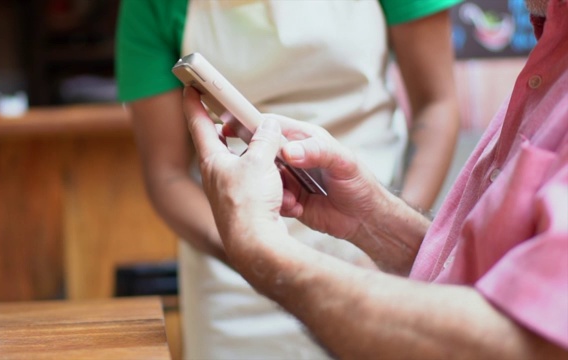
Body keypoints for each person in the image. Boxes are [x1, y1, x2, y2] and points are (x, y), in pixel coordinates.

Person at [182, 0, 568, 358]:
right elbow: (492, 277)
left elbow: (521, 341)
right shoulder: (552, 53)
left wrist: (262, 250)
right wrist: (375, 223)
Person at [116, 0, 460, 358]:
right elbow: (165, 174)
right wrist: (248, 247)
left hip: (372, 255)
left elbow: (437, 104)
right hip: (235, 281)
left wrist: (388, 241)